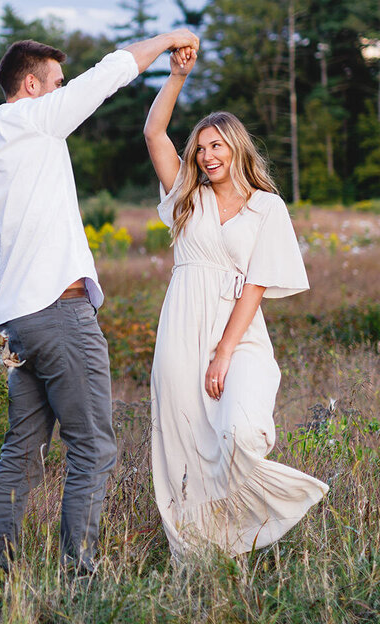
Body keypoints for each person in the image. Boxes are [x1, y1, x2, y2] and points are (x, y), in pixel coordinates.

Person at [0, 28, 201, 574]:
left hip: (20, 320)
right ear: (31, 85)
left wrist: (16, 312)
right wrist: (170, 39)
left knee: (22, 451)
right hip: (57, 311)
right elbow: (110, 74)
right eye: (56, 82)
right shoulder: (32, 119)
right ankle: (80, 575)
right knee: (93, 448)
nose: (63, 89)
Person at [142, 46, 328, 558]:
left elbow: (256, 285)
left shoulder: (268, 207)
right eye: (201, 147)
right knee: (184, 451)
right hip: (180, 333)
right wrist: (177, 75)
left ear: (237, 148)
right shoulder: (187, 197)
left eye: (217, 144)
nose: (208, 155)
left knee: (242, 431)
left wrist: (224, 351)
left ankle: (255, 522)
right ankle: (202, 557)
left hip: (238, 334)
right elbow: (154, 134)